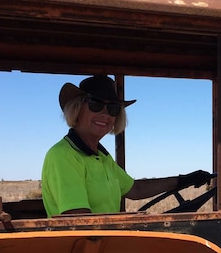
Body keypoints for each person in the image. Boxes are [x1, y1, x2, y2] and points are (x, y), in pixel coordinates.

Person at [41, 75, 211, 216]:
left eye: (113, 109)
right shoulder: (63, 155)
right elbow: (79, 220)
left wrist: (183, 180)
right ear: (77, 108)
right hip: (80, 252)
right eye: (96, 104)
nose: (105, 114)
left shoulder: (101, 157)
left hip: (104, 247)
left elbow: (135, 189)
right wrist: (134, 221)